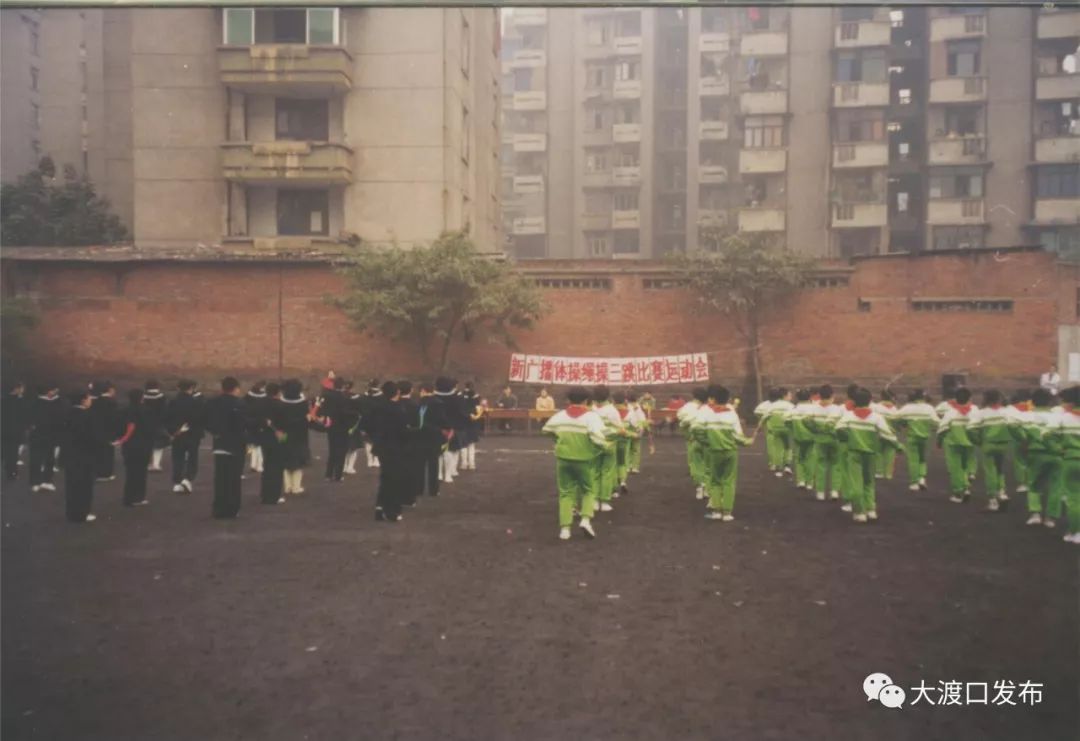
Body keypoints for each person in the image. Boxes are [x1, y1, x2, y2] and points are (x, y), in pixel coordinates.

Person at [541, 386, 607, 540]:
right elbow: (598, 438)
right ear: (586, 400)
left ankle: (565, 529)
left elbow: (546, 429)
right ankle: (585, 519)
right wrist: (604, 446)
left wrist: (558, 440)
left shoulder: (560, 415)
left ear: (568, 400)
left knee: (565, 493)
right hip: (584, 460)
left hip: (563, 459)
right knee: (589, 490)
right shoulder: (591, 417)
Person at [835, 387, 899, 523]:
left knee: (856, 482)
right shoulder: (876, 417)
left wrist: (848, 438)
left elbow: (838, 429)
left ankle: (859, 511)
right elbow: (888, 435)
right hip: (870, 454)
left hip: (854, 454)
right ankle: (871, 509)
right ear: (870, 401)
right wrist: (898, 446)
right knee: (869, 482)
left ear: (854, 402)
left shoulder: (848, 416)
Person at [691, 384, 754, 521]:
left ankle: (716, 510)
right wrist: (747, 442)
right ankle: (727, 512)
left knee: (714, 481)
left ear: (712, 399)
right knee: (729, 481)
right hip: (731, 451)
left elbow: (695, 429)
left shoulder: (706, 412)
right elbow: (738, 435)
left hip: (714, 451)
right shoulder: (732, 413)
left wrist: (705, 441)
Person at [205, 377, 247, 519]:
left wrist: (216, 433)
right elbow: (242, 425)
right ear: (235, 388)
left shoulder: (212, 402)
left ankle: (218, 509)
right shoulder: (240, 403)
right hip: (235, 445)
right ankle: (232, 509)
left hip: (219, 444)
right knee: (233, 479)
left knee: (220, 479)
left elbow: (206, 421)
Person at [62, 388, 105, 523]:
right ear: (83, 400)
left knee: (72, 485)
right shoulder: (88, 416)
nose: (90, 400)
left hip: (70, 455)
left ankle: (72, 513)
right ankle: (82, 513)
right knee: (85, 486)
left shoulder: (67, 414)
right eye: (88, 398)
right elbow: (93, 437)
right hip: (85, 455)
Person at [1021, 388, 1062, 528]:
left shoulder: (1027, 416)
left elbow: (1023, 437)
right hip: (1056, 454)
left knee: (1033, 484)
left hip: (1035, 453)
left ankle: (1035, 514)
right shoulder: (1058, 417)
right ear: (1050, 401)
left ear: (1032, 401)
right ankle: (1050, 518)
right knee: (1056, 486)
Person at [968, 389, 1014, 513]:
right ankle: (1002, 492)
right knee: (1000, 470)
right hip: (1003, 445)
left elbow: (971, 429)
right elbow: (1014, 426)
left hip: (988, 445)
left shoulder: (981, 413)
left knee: (990, 471)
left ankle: (992, 500)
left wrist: (978, 441)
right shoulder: (1005, 412)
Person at [371, 381, 408, 522]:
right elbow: (403, 431)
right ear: (397, 392)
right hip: (395, 448)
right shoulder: (399, 409)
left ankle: (380, 508)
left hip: (381, 447)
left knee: (385, 478)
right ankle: (392, 511)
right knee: (395, 480)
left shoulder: (378, 407)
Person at [1047, 385, 1079, 544]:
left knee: (1074, 498)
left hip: (1071, 460)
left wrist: (1058, 449)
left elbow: (1046, 435)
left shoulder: (1063, 418)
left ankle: (1076, 532)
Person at [936, 387, 977, 504]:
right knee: (966, 466)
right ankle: (967, 485)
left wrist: (939, 441)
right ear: (970, 398)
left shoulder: (951, 412)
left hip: (953, 443)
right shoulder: (974, 410)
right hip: (969, 442)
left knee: (956, 469)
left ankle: (959, 492)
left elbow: (942, 428)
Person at [116, 389, 155, 507]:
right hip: (143, 445)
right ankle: (139, 497)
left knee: (130, 472)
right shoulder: (146, 411)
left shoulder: (124, 410)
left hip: (129, 445)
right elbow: (150, 429)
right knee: (141, 473)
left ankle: (128, 497)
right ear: (141, 398)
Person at [166, 379, 205, 494]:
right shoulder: (196, 402)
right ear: (192, 388)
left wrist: (174, 431)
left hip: (178, 435)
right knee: (192, 457)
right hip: (193, 434)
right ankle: (188, 479)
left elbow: (166, 419)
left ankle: (177, 482)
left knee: (178, 458)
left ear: (178, 388)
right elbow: (200, 419)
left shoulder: (173, 402)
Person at [894, 389, 938, 492]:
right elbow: (936, 422)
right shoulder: (929, 408)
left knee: (913, 460)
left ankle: (914, 482)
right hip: (926, 437)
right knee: (922, 459)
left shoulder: (907, 408)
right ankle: (922, 478)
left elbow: (895, 418)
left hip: (912, 437)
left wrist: (902, 424)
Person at [591, 385, 624, 511]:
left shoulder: (592, 409)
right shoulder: (612, 410)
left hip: (594, 444)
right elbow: (619, 429)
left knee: (594, 472)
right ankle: (603, 501)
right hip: (609, 444)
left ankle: (593, 500)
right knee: (607, 472)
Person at [416, 380, 451, 498]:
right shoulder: (438, 403)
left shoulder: (418, 403)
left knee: (419, 465)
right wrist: (447, 428)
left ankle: (419, 489)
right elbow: (443, 420)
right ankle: (434, 490)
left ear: (423, 391)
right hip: (434, 436)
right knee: (433, 464)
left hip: (420, 436)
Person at [27, 383, 64, 492]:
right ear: (48, 391)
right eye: (53, 390)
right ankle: (35, 481)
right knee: (36, 459)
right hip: (38, 436)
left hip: (50, 435)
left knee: (49, 459)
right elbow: (30, 418)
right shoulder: (35, 403)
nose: (55, 392)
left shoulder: (55, 403)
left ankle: (47, 481)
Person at [277, 379, 311, 495]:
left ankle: (288, 487)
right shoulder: (303, 403)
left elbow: (279, 421)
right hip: (299, 435)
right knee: (298, 462)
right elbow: (307, 419)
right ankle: (296, 487)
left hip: (284, 435)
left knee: (285, 461)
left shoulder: (280, 403)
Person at [811, 385, 844, 502]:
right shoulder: (837, 409)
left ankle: (820, 492)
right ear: (832, 396)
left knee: (820, 465)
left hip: (820, 440)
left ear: (819, 396)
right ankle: (835, 490)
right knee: (836, 464)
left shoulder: (813, 408)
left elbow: (806, 421)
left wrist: (815, 430)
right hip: (835, 440)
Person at [786, 388, 818, 492]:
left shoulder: (793, 410)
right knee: (811, 459)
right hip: (812, 437)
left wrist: (793, 428)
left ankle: (801, 480)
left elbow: (786, 420)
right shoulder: (814, 409)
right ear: (809, 397)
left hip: (798, 437)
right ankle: (810, 483)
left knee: (799, 459)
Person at [677, 388, 707, 499]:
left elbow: (680, 418)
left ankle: (700, 486)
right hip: (708, 439)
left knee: (695, 463)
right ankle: (707, 487)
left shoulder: (687, 407)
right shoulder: (708, 408)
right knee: (707, 464)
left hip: (692, 439)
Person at [259, 382, 286, 505]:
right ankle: (274, 496)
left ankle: (265, 495)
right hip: (278, 440)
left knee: (267, 467)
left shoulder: (262, 403)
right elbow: (286, 424)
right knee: (276, 469)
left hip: (265, 439)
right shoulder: (280, 405)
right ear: (278, 392)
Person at [89, 381, 121, 482]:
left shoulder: (96, 401)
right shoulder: (112, 402)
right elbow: (114, 418)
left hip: (97, 430)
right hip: (109, 431)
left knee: (98, 452)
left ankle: (98, 473)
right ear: (110, 390)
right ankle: (106, 474)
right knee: (108, 452)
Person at [321, 377, 351, 483]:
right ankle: (338, 475)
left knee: (332, 450)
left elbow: (324, 409)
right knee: (342, 451)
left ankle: (328, 474)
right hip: (342, 427)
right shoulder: (345, 397)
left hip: (332, 426)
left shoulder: (328, 396)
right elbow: (346, 413)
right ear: (343, 385)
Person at [611, 391, 639, 496]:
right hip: (624, 441)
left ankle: (614, 489)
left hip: (611, 441)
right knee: (622, 462)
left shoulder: (611, 411)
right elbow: (636, 426)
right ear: (625, 401)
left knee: (612, 464)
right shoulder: (630, 413)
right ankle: (622, 481)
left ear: (613, 401)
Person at [1009, 389, 1033, 497]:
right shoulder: (1033, 407)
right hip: (1032, 436)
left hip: (1018, 437)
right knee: (1031, 461)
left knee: (1019, 461)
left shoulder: (1012, 409)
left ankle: (1022, 483)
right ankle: (1031, 481)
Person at [2, 381, 28, 481]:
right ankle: (12, 472)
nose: (23, 391)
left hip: (5, 430)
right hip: (15, 431)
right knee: (13, 453)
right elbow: (23, 416)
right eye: (21, 388)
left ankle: (9, 469)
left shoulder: (3, 399)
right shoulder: (19, 401)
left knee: (7, 451)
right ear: (16, 388)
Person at [143, 380, 170, 473]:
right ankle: (156, 464)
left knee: (146, 444)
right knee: (158, 445)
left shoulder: (143, 397)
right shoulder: (161, 397)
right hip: (158, 424)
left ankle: (146, 463)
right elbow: (165, 412)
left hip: (144, 424)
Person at [872, 390, 899, 480]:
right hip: (891, 435)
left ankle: (879, 472)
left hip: (878, 433)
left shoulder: (876, 407)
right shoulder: (895, 410)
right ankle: (888, 473)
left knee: (878, 453)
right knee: (890, 454)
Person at [243, 381, 268, 474]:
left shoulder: (247, 397)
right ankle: (259, 465)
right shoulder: (264, 398)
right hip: (260, 423)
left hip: (250, 423)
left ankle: (254, 464)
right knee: (260, 446)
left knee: (254, 445)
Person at [357, 379, 382, 468]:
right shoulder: (382, 397)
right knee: (377, 442)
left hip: (366, 421)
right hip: (378, 422)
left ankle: (369, 460)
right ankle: (376, 460)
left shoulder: (364, 396)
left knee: (368, 442)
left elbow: (360, 409)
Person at [459, 381, 483, 471]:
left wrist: (468, 415)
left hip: (463, 422)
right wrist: (473, 415)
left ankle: (464, 463)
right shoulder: (477, 396)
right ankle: (472, 464)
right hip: (473, 423)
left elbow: (461, 409)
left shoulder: (460, 395)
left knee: (464, 444)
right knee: (471, 444)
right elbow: (478, 408)